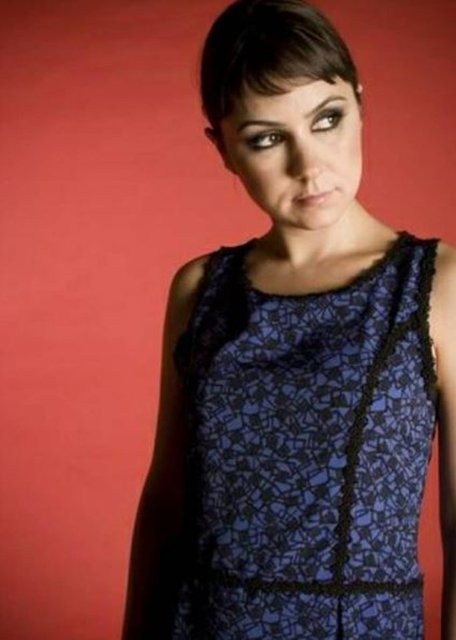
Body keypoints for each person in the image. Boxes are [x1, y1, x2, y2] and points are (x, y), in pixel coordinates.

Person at [121, 0, 456, 638]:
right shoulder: (201, 290)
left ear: (360, 105)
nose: (310, 166)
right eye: (267, 138)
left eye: (327, 119)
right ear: (223, 149)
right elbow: (165, 503)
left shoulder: (437, 285)